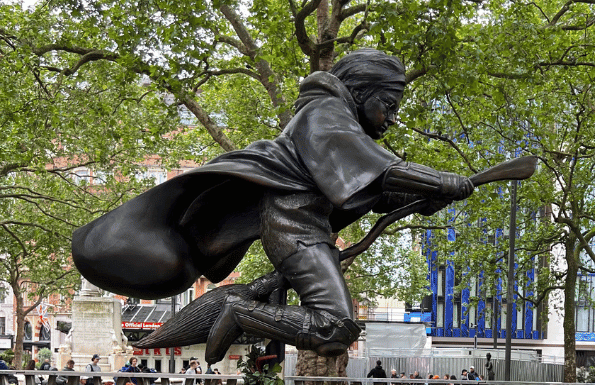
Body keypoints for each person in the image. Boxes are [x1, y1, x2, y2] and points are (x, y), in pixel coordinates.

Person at [72, 49, 476, 364]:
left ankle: (244, 312)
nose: (392, 118)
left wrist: (428, 198)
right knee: (333, 327)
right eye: (388, 104)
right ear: (359, 93)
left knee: (334, 329)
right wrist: (441, 181)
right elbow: (384, 171)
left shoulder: (336, 123)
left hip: (304, 225)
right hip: (293, 226)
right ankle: (239, 312)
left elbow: (371, 187)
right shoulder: (325, 113)